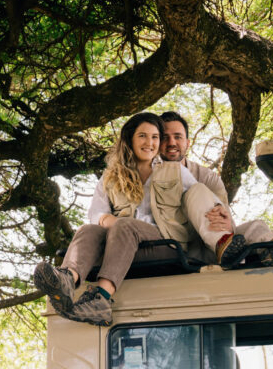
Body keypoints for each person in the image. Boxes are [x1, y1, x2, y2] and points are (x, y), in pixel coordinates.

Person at [34, 112, 246, 326]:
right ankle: (67, 279)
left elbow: (199, 197)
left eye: (155, 137)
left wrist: (221, 216)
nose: (150, 143)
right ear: (130, 140)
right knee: (88, 230)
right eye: (143, 136)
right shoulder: (111, 176)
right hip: (122, 246)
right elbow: (96, 213)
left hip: (164, 244)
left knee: (126, 226)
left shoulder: (176, 172)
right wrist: (111, 222)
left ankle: (101, 299)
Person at [160, 111, 273, 265]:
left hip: (214, 244)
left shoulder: (208, 176)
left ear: (187, 143)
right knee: (197, 191)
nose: (171, 143)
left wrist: (223, 218)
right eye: (165, 138)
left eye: (177, 137)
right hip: (185, 247)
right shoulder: (151, 174)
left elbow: (227, 220)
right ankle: (225, 244)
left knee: (256, 226)